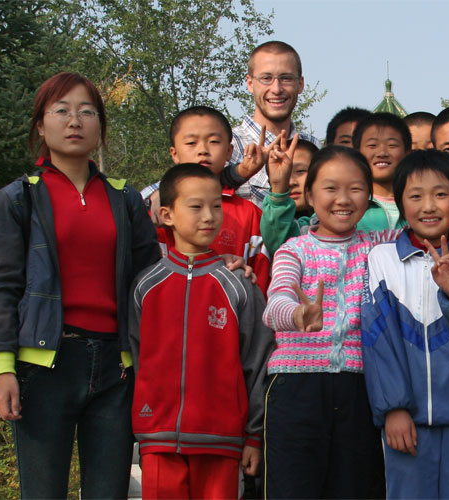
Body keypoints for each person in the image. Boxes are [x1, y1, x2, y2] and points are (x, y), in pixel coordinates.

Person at [260, 145, 449, 498]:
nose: (343, 199)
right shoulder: (294, 249)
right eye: (330, 188)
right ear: (310, 195)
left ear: (370, 196)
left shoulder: (381, 245)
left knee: (355, 489)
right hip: (295, 386)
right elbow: (276, 302)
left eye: (356, 188)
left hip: (360, 388)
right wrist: (297, 314)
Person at [0, 72, 161, 498]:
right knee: (43, 492)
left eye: (87, 112)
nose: (75, 121)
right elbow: (2, 287)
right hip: (43, 365)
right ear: (40, 125)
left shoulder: (125, 199)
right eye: (62, 111)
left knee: (109, 492)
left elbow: (150, 283)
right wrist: (3, 368)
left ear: (99, 127)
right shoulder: (19, 198)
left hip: (116, 368)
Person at [129, 163, 274, 499]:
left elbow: (257, 362)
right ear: (166, 214)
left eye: (216, 206)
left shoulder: (239, 284)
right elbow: (136, 359)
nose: (209, 216)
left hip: (222, 439)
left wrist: (254, 436)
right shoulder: (146, 285)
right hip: (158, 437)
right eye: (195, 206)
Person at [361, 150, 449, 499]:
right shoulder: (382, 259)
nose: (429, 206)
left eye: (441, 194)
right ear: (401, 202)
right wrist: (393, 408)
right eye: (416, 195)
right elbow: (378, 340)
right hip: (405, 420)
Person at [154, 105, 272, 294]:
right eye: (191, 143)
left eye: (214, 141)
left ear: (229, 151)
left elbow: (260, 281)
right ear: (174, 153)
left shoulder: (249, 214)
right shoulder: (160, 208)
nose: (203, 150)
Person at [226, 40, 320, 207]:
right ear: (250, 83)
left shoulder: (314, 146)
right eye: (266, 78)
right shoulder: (227, 146)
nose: (276, 89)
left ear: (300, 84)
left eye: (286, 78)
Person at [352, 112, 412, 231]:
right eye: (372, 145)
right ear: (357, 153)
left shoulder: (421, 203)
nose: (382, 153)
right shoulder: (348, 204)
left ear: (407, 153)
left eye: (392, 145)